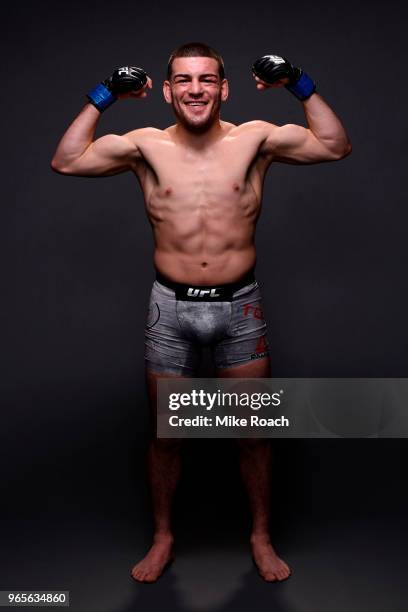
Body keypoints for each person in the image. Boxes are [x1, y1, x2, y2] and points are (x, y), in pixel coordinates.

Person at [51, 42, 351, 583]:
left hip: (241, 306)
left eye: (207, 80)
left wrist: (297, 81)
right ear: (166, 91)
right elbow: (67, 159)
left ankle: (260, 537)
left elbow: (334, 145)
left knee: (252, 431)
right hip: (171, 308)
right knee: (168, 433)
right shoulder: (145, 145)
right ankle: (163, 537)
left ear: (224, 88)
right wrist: (106, 94)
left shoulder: (254, 137)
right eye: (184, 81)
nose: (196, 90)